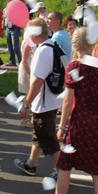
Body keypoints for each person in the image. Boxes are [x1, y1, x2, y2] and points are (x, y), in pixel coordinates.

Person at [36, 27, 98, 194]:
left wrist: (62, 127)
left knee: (65, 165)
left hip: (79, 119)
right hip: (97, 118)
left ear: (75, 44)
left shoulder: (74, 66)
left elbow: (68, 101)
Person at [15, 18, 62, 178]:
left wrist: (26, 103)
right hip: (53, 99)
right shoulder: (52, 45)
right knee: (40, 134)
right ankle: (31, 164)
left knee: (47, 138)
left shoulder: (43, 51)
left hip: (43, 102)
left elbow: (37, 82)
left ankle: (62, 172)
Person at [3, 0, 22, 66]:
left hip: (15, 27)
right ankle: (12, 61)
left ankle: (20, 61)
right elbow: (4, 18)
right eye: (8, 1)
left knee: (15, 45)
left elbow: (19, 19)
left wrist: (19, 29)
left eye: (11, 1)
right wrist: (3, 27)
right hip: (8, 27)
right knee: (9, 45)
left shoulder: (16, 10)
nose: (9, 3)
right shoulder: (5, 9)